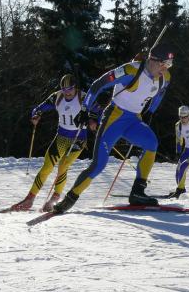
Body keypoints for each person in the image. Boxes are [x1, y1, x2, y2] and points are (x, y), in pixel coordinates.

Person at [51, 43, 175, 213]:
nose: (166, 68)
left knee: (151, 142)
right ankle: (69, 199)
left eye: (169, 65)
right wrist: (86, 109)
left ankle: (138, 192)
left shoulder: (165, 77)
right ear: (152, 60)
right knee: (99, 165)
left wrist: (150, 112)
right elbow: (98, 85)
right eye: (164, 64)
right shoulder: (131, 71)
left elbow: (160, 94)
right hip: (114, 119)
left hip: (134, 120)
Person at [11, 74, 98, 212]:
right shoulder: (57, 97)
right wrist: (36, 115)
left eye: (70, 89)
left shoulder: (84, 97)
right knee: (46, 167)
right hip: (61, 137)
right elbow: (39, 108)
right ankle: (30, 198)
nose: (67, 92)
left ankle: (54, 199)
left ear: (75, 87)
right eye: (64, 89)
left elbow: (99, 112)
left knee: (63, 166)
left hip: (78, 139)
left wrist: (94, 121)